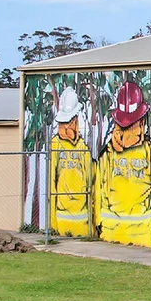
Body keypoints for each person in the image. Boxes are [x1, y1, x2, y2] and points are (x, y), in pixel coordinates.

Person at [94, 80, 151, 247]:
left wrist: (97, 222)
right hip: (132, 232)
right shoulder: (146, 150)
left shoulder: (109, 152)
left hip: (125, 231)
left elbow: (99, 188)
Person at [48, 87, 92, 237]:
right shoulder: (55, 145)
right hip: (62, 215)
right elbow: (50, 182)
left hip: (83, 219)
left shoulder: (83, 147)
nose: (65, 127)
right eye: (62, 122)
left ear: (75, 120)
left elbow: (90, 181)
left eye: (68, 121)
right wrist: (52, 222)